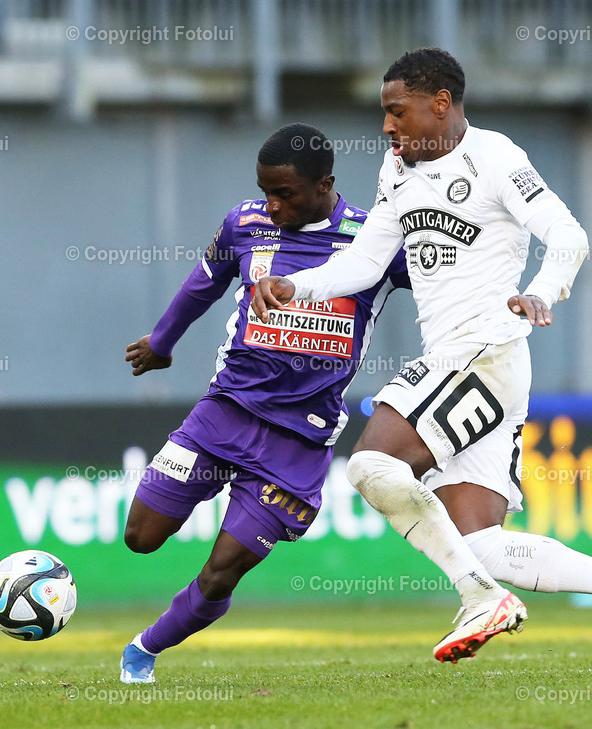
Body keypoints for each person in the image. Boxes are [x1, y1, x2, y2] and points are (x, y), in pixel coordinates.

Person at [252, 48, 592, 669]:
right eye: (385, 114)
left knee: (371, 466)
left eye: (396, 112)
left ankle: (481, 599)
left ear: (441, 104)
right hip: (473, 365)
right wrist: (299, 288)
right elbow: (364, 261)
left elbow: (567, 235)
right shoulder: (396, 169)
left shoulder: (495, 157)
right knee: (478, 541)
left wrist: (543, 291)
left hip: (483, 352)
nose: (388, 127)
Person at [118, 123, 411, 683]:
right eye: (265, 191)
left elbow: (440, 282)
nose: (272, 206)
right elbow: (203, 282)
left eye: (286, 195)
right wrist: (162, 341)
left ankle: (143, 652)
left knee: (220, 575)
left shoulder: (372, 241)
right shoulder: (244, 224)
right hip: (224, 413)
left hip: (296, 443)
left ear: (324, 184)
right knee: (140, 537)